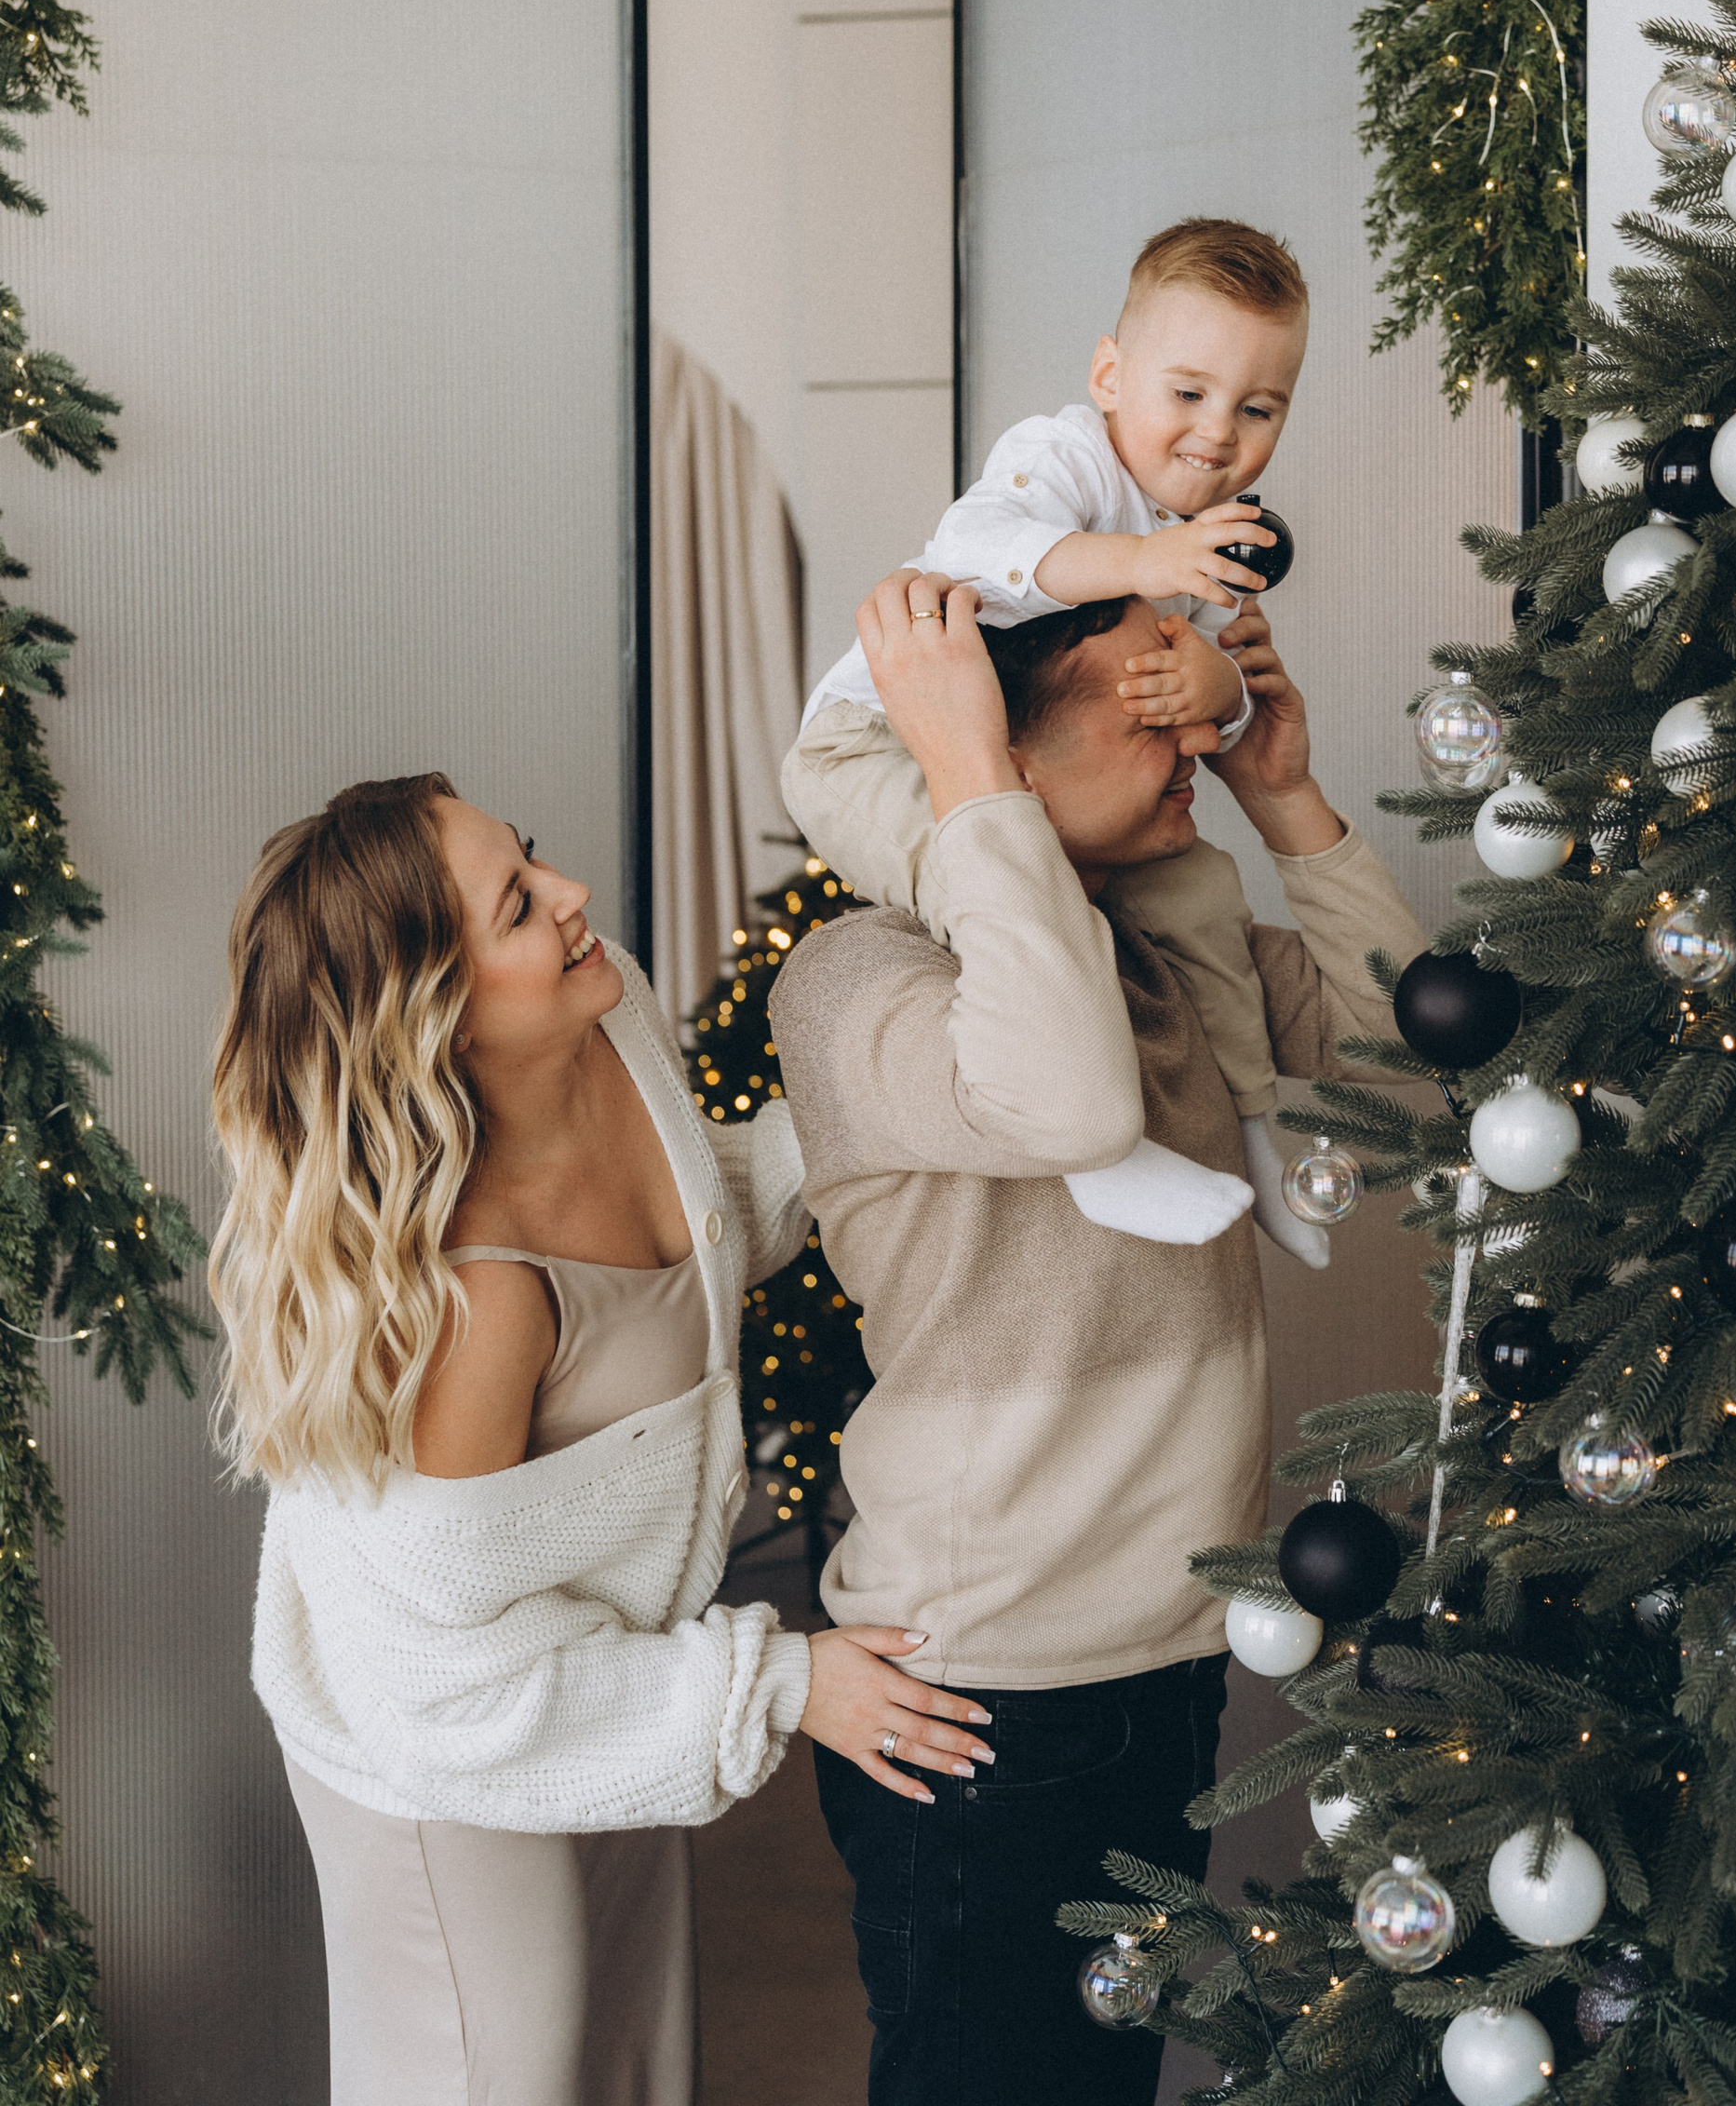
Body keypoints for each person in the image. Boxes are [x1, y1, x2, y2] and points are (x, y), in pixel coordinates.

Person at [209, 773, 993, 2106]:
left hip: (610, 1666)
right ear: (437, 1013)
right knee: (512, 2074)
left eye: (533, 859)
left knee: (634, 2060)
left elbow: (687, 1234)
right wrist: (782, 1683)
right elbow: (450, 1689)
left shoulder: (603, 1012)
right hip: (442, 1740)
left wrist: (881, 1115)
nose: (572, 898)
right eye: (518, 907)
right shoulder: (475, 1301)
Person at [767, 574, 1428, 2106]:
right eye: (1142, 708)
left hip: (1164, 1658)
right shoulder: (860, 978)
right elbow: (1065, 1102)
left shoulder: (1159, 957)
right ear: (996, 745)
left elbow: (1415, 1030)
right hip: (980, 1690)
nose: (1191, 727)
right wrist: (964, 772)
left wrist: (1284, 794)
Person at [783, 214, 1327, 1265]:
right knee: (995, 891)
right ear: (1110, 376)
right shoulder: (1064, 456)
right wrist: (1146, 562)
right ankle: (1092, 1152)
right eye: (1188, 393)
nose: (1219, 433)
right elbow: (975, 552)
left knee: (1205, 895)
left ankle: (1255, 1131)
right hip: (876, 748)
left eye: (1258, 408)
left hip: (1030, 775)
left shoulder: (1204, 537)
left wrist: (1216, 682)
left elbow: (1221, 707)